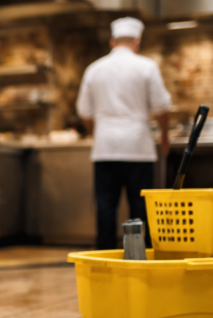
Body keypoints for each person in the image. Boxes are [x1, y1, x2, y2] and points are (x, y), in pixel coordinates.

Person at [77, 17, 172, 250]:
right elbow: (161, 107)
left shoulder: (94, 69)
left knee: (106, 206)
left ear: (112, 41)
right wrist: (165, 135)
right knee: (139, 206)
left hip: (105, 147)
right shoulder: (147, 66)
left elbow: (84, 111)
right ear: (137, 42)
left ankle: (105, 255)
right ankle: (137, 254)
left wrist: (96, 133)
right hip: (138, 146)